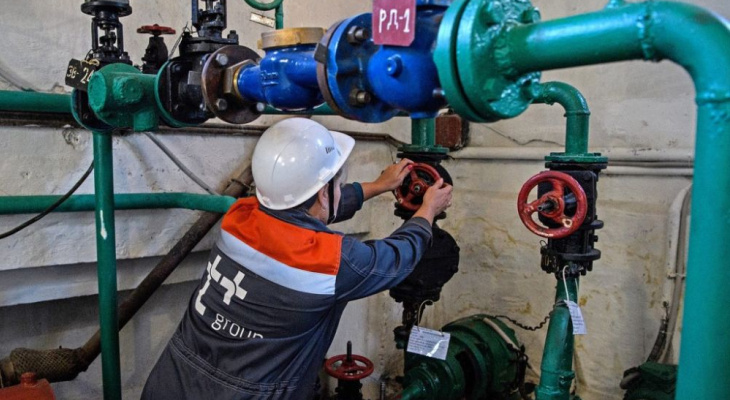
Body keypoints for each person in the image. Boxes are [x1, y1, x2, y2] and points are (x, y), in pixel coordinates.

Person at [142, 118, 453, 400]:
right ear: (323, 193)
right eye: (337, 184)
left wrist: (378, 186)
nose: (339, 189)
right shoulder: (329, 262)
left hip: (171, 381)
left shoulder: (239, 217)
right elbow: (397, 256)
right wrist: (428, 210)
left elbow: (300, 210)